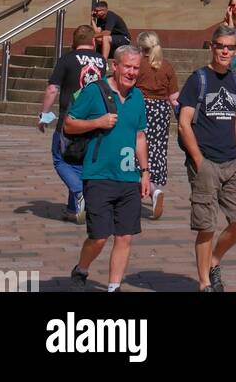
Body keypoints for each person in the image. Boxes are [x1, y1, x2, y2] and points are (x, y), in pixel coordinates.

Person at [63, 44, 149, 293]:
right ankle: (82, 267)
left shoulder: (138, 96)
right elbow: (69, 124)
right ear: (115, 66)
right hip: (98, 175)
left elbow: (140, 136)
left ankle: (114, 286)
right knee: (99, 236)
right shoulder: (94, 92)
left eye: (136, 68)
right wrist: (97, 122)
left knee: (125, 236)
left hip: (129, 177)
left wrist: (145, 172)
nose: (132, 72)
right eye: (128, 67)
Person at [177, 25, 236, 293]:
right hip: (205, 161)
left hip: (233, 162)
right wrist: (198, 160)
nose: (224, 51)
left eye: (230, 47)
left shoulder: (234, 80)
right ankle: (204, 283)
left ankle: (214, 261)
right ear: (212, 47)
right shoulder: (198, 79)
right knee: (206, 226)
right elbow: (184, 124)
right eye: (220, 45)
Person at [38, 24, 106, 224]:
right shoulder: (102, 61)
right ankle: (73, 209)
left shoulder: (66, 59)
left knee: (60, 160)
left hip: (70, 120)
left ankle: (78, 192)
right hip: (94, 121)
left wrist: (44, 114)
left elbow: (52, 89)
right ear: (93, 41)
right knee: (78, 164)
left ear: (74, 42)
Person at [135, 31, 179, 220]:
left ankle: (151, 191)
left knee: (136, 149)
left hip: (140, 106)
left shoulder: (138, 64)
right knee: (157, 150)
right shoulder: (167, 65)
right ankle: (154, 188)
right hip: (161, 110)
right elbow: (174, 98)